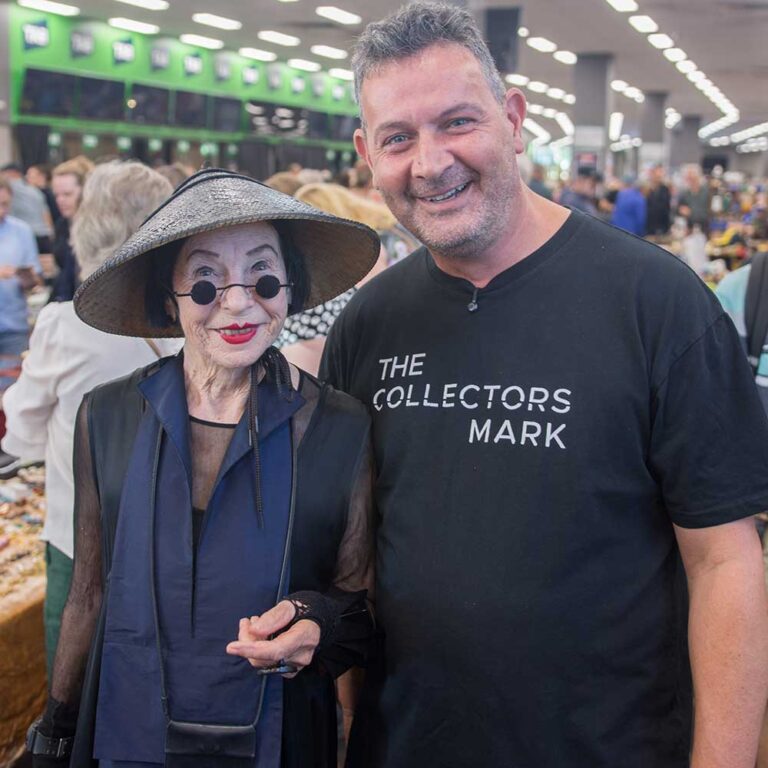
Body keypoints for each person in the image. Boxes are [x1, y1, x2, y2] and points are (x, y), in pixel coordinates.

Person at [319, 4, 768, 767]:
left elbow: (725, 563)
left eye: (457, 122)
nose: (429, 163)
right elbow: (355, 563)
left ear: (513, 117)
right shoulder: (368, 323)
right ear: (367, 152)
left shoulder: (656, 305)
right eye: (398, 138)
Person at [26, 168, 379, 768]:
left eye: (262, 276)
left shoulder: (341, 427)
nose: (239, 303)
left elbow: (359, 604)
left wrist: (314, 619)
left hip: (281, 731)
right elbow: (88, 590)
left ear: (289, 286)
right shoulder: (107, 416)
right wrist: (57, 729)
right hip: (124, 726)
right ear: (170, 297)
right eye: (207, 282)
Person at [1, 161, 178, 678]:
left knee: (73, 687)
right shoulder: (187, 322)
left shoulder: (65, 324)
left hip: (77, 543)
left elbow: (23, 434)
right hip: (167, 543)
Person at [0, 177, 40, 391]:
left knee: (13, 390)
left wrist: (28, 278)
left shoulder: (21, 231)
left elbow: (35, 278)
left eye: (5, 204)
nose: (1, 210)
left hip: (14, 325)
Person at [48, 156, 93, 302]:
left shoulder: (97, 229)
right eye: (56, 195)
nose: (60, 200)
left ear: (85, 191)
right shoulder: (62, 224)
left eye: (67, 194)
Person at [0, 162, 53, 253]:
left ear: (10, 173)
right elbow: (46, 215)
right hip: (43, 235)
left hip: (22, 236)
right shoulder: (36, 191)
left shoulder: (8, 187)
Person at [677, 164, 711, 234]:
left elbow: (707, 214)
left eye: (693, 177)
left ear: (699, 176)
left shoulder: (707, 192)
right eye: (688, 178)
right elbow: (677, 211)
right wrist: (680, 211)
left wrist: (691, 213)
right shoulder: (684, 193)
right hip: (688, 231)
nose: (691, 180)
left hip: (705, 231)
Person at [646, 164, 672, 236]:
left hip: (662, 227)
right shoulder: (646, 189)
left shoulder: (665, 189)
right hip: (648, 227)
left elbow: (666, 208)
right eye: (657, 174)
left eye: (660, 175)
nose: (659, 177)